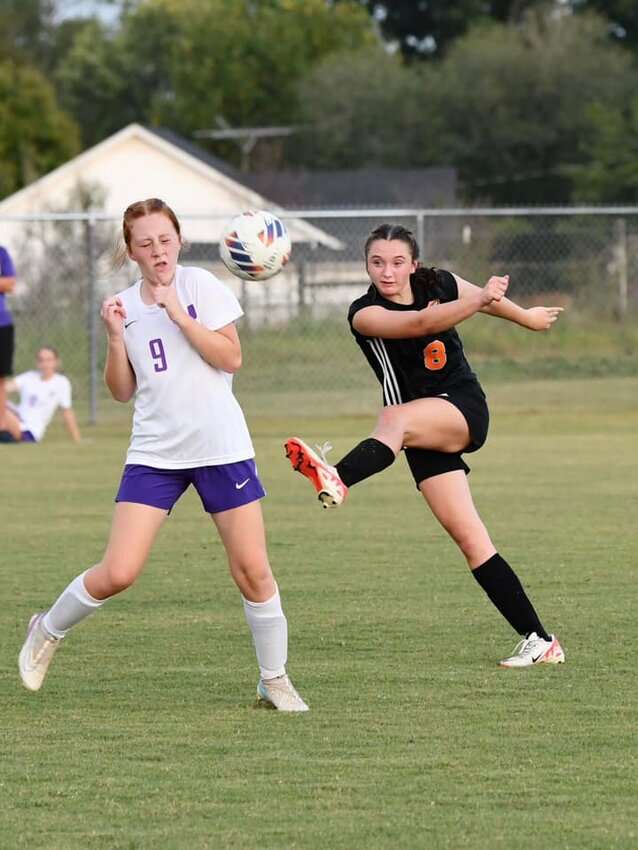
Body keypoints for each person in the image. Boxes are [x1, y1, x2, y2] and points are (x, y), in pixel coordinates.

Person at [18, 198, 308, 711]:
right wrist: (113, 337)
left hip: (221, 447)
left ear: (180, 242)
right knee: (119, 571)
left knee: (253, 571)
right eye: (145, 244)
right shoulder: (124, 307)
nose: (158, 252)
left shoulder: (201, 287)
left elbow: (231, 357)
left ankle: (274, 678)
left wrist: (179, 316)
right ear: (131, 251)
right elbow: (121, 392)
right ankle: (47, 629)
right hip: (155, 451)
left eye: (165, 241)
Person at [285, 222, 565, 669]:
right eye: (377, 262)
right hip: (416, 432)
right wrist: (478, 299)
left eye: (398, 262)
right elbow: (421, 321)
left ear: (413, 264)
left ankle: (337, 477)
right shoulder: (364, 313)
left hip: (460, 408)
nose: (388, 272)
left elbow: (487, 302)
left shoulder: (438, 282)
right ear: (366, 266)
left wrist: (527, 317)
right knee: (472, 541)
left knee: (393, 417)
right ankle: (541, 640)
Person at [4, 346, 82, 443]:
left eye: (49, 360)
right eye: (41, 360)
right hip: (16, 419)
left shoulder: (61, 382)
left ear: (56, 362)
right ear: (37, 362)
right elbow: (6, 388)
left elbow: (67, 411)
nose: (45, 364)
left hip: (29, 431)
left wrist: (77, 439)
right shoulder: (29, 377)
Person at [0, 243, 17, 442]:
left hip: (1, 323)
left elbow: (10, 283)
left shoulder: (2, 252)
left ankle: (2, 427)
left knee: (0, 378)